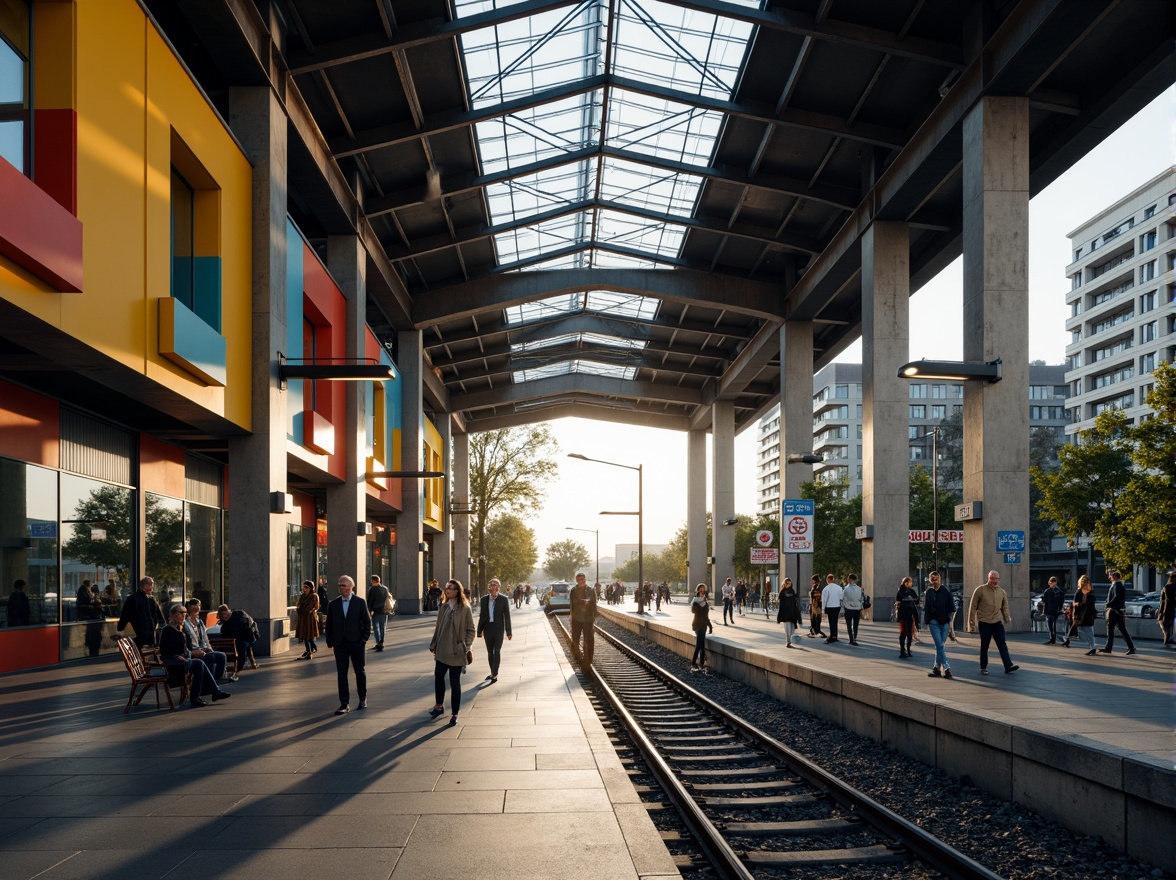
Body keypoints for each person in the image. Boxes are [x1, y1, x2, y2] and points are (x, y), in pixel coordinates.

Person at [159, 604, 231, 707]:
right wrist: (189, 653)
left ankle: (212, 690)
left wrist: (194, 651)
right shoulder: (167, 630)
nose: (184, 615)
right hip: (174, 662)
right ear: (174, 615)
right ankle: (202, 695)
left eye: (185, 613)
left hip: (185, 658)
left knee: (212, 657)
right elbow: (167, 650)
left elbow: (188, 647)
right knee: (199, 663)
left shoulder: (182, 629)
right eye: (181, 613)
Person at [428, 579, 475, 726]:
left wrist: (465, 646)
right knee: (439, 676)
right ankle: (439, 705)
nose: (449, 591)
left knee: (455, 682)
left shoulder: (465, 608)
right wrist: (434, 643)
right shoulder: (443, 607)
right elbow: (438, 627)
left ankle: (455, 713)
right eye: (447, 588)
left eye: (452, 589)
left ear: (458, 591)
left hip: (457, 651)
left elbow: (471, 630)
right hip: (442, 649)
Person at [325, 575, 371, 715]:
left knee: (359, 672)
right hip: (340, 644)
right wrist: (330, 641)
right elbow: (329, 624)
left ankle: (362, 699)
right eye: (340, 585)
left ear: (351, 587)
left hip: (356, 643)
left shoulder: (359, 602)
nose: (341, 588)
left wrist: (363, 639)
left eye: (344, 585)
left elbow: (367, 622)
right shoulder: (333, 604)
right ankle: (344, 703)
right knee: (341, 674)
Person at [967, 570, 1019, 675]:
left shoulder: (1002, 592)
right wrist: (971, 621)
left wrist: (1007, 618)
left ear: (999, 579)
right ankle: (983, 667)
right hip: (984, 622)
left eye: (996, 579)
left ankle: (1008, 665)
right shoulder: (980, 590)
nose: (994, 581)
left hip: (997, 621)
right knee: (985, 645)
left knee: (1002, 644)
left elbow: (1005, 607)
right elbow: (973, 606)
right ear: (988, 578)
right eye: (992, 578)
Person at [183, 598, 228, 684]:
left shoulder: (200, 622)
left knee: (221, 656)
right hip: (194, 650)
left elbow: (205, 638)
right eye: (194, 609)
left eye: (198, 608)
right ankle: (208, 683)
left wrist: (209, 648)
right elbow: (187, 641)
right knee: (210, 658)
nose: (196, 611)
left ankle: (216, 680)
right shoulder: (185, 623)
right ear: (189, 610)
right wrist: (194, 651)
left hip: (203, 649)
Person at [477, 577, 512, 683]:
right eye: (492, 584)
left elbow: (507, 616)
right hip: (488, 629)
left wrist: (508, 631)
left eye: (496, 584)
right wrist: (479, 630)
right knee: (489, 652)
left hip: (499, 629)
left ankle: (495, 673)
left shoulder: (503, 599)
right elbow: (482, 616)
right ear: (489, 586)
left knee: (497, 651)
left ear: (499, 587)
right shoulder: (484, 600)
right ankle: (492, 671)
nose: (494, 585)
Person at [117, 576, 164, 648]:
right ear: (144, 586)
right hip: (139, 633)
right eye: (150, 584)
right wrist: (120, 629)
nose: (152, 587)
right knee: (140, 651)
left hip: (150, 633)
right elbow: (125, 615)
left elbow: (159, 616)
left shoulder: (151, 599)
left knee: (148, 652)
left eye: (152, 584)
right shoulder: (133, 599)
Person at [923, 571, 954, 679]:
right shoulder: (929, 592)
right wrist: (927, 621)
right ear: (930, 580)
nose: (934, 580)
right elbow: (926, 607)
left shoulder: (945, 592)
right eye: (932, 578)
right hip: (933, 622)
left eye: (936, 578)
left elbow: (952, 607)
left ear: (939, 579)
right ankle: (946, 668)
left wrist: (949, 620)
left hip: (944, 622)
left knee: (939, 646)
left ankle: (936, 668)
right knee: (940, 645)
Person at [1100, 569, 1136, 655]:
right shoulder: (1120, 585)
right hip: (1118, 610)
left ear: (1114, 577)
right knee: (1117, 629)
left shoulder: (1116, 585)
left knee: (1112, 629)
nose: (1110, 579)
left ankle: (1128, 647)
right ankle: (1110, 647)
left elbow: (1115, 597)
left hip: (1114, 611)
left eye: (1111, 577)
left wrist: (1108, 604)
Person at [216, 604, 260, 670]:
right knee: (244, 645)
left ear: (226, 612)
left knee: (243, 645)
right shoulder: (238, 615)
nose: (224, 617)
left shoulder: (238, 615)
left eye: (224, 615)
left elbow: (244, 628)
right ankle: (245, 664)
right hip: (244, 639)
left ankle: (241, 665)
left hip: (244, 639)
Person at [569, 572, 598, 664]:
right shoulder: (573, 590)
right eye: (579, 580)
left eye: (582, 579)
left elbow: (593, 601)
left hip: (588, 618)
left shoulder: (591, 590)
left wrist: (588, 601)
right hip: (576, 617)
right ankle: (577, 656)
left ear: (585, 579)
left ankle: (589, 658)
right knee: (575, 638)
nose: (581, 581)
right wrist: (571, 616)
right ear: (576, 580)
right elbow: (572, 604)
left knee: (589, 639)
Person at [689, 584, 714, 672]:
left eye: (704, 591)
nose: (702, 592)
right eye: (701, 590)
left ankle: (701, 663)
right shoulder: (695, 601)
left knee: (702, 644)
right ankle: (693, 662)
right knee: (699, 644)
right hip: (697, 624)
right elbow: (693, 611)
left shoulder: (706, 603)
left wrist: (710, 626)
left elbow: (706, 616)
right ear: (698, 591)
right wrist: (698, 601)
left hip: (704, 625)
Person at [1072, 574, 1098, 655]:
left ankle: (1093, 647)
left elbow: (1076, 604)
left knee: (1087, 631)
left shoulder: (1079, 592)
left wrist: (1075, 615)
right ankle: (1092, 646)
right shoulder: (1091, 592)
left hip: (1083, 614)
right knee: (1089, 631)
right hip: (1089, 614)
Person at [894, 576, 920, 658]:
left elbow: (916, 601)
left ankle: (908, 649)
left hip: (911, 614)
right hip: (903, 614)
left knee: (909, 634)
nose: (911, 583)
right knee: (903, 633)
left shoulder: (912, 591)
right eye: (910, 582)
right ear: (906, 583)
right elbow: (897, 602)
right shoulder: (900, 592)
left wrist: (915, 600)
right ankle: (902, 650)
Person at [295, 580, 320, 659]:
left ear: (311, 588)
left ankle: (309, 651)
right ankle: (311, 649)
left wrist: (303, 609)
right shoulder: (302, 596)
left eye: (306, 587)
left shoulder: (313, 596)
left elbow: (312, 607)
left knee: (308, 635)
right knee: (305, 635)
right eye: (304, 587)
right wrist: (299, 609)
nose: (304, 589)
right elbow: (299, 606)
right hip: (303, 618)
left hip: (310, 619)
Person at [368, 575, 392, 652]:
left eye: (372, 581)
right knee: (382, 628)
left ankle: (378, 643)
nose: (371, 582)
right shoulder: (385, 588)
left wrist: (369, 610)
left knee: (376, 628)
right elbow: (389, 598)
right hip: (384, 611)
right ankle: (381, 642)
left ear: (374, 581)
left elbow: (370, 601)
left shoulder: (372, 589)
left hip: (376, 611)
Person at [776, 578, 801, 647]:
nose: (788, 585)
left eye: (789, 583)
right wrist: (779, 617)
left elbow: (795, 601)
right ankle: (788, 641)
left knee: (792, 629)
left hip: (792, 613)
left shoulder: (792, 591)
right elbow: (781, 605)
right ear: (784, 583)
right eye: (787, 583)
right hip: (785, 613)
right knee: (787, 629)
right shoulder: (782, 592)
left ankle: (790, 639)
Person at [1041, 577, 1065, 645]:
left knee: (1051, 625)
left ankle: (1052, 639)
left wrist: (1060, 608)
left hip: (1053, 610)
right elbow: (1045, 602)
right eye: (1053, 582)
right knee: (1051, 625)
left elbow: (1045, 602)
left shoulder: (1054, 591)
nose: (1054, 584)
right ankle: (1052, 639)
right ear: (1050, 583)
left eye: (1055, 582)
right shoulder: (1056, 591)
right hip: (1052, 610)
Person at [841, 574, 864, 645]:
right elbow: (861, 599)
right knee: (856, 624)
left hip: (848, 608)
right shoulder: (859, 589)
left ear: (849, 579)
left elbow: (843, 599)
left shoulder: (845, 589)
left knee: (849, 624)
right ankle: (855, 637)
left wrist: (844, 606)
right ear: (855, 580)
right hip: (857, 609)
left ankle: (851, 639)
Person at [822, 573, 843, 644]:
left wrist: (823, 609)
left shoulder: (826, 589)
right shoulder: (839, 588)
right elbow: (841, 597)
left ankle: (832, 635)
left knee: (831, 621)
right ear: (833, 579)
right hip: (837, 606)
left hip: (829, 606)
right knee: (835, 621)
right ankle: (835, 635)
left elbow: (824, 599)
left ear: (828, 579)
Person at [1158, 573, 1176, 647]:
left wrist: (1161, 611)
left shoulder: (1167, 587)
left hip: (1168, 609)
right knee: (1169, 624)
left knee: (1166, 624)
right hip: (1170, 609)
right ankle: (1168, 638)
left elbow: (1163, 601)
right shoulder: (1170, 587)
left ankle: (1168, 638)